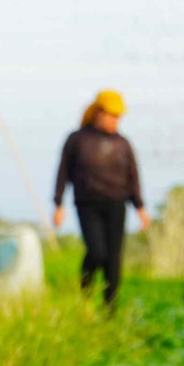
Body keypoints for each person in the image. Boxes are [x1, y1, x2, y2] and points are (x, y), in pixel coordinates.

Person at [52, 90, 151, 309]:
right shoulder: (77, 139)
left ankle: (110, 309)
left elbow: (132, 176)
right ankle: (85, 292)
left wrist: (140, 208)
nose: (115, 121)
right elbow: (63, 172)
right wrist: (58, 204)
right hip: (88, 204)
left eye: (118, 117)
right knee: (97, 252)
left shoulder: (123, 143)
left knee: (113, 260)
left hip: (117, 203)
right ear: (98, 113)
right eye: (111, 115)